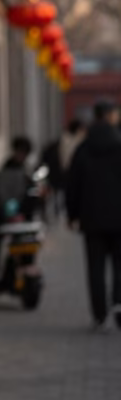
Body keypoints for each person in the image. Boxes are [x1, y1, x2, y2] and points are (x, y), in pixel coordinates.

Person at [65, 101, 121, 330]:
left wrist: (72, 215)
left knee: (95, 266)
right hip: (120, 219)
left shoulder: (83, 148)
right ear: (109, 116)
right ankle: (119, 304)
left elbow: (73, 185)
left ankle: (99, 313)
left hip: (92, 219)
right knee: (120, 265)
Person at [0, 136, 33, 271]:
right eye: (19, 152)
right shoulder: (5, 168)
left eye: (24, 153)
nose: (21, 156)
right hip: (6, 211)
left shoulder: (27, 171)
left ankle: (24, 266)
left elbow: (32, 190)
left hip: (21, 212)